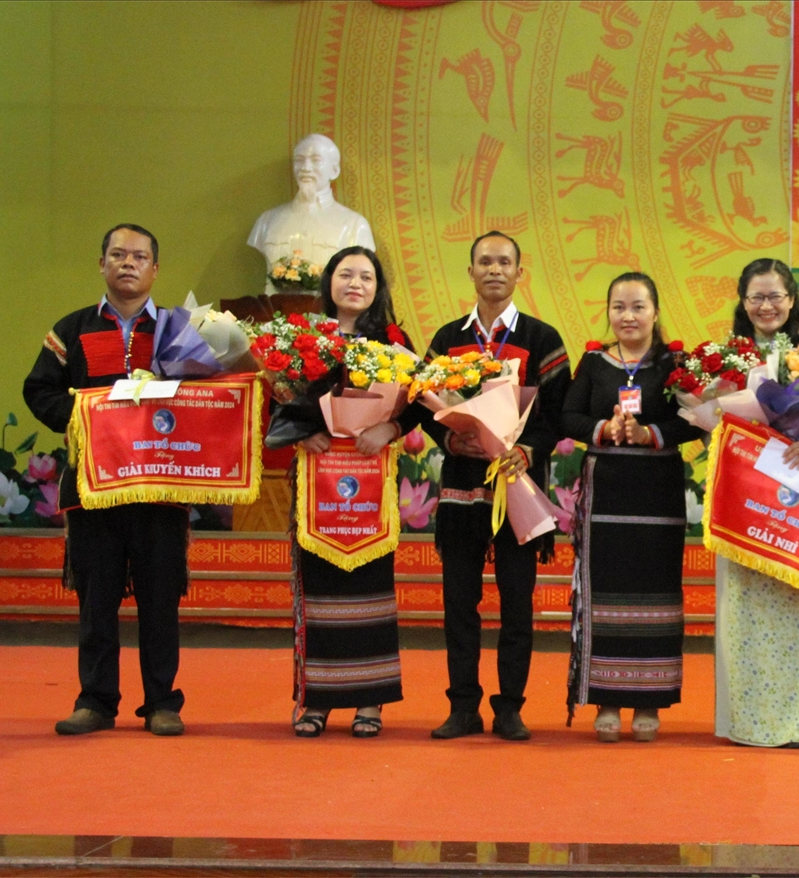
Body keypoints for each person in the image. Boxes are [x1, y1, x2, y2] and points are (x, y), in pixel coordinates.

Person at [23, 224, 190, 737]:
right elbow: (38, 389)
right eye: (118, 255)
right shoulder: (70, 329)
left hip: (160, 487)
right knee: (96, 600)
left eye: (139, 256)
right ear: (102, 264)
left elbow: (210, 392)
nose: (128, 263)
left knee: (160, 600)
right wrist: (79, 416)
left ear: (155, 269)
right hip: (92, 488)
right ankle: (95, 702)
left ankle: (162, 703)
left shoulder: (179, 331)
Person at [266, 246, 422, 738]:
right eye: (346, 274)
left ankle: (369, 701)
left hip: (370, 481)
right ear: (330, 282)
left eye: (366, 277)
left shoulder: (393, 342)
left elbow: (421, 400)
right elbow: (278, 398)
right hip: (317, 480)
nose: (355, 283)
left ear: (378, 287)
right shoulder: (303, 338)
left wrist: (390, 428)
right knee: (317, 592)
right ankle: (315, 700)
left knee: (369, 590)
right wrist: (302, 432)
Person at [425, 231, 569, 742]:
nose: (494, 270)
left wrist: (528, 449)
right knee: (458, 605)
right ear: (470, 272)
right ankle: (463, 706)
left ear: (519, 273)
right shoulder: (447, 338)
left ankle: (510, 708)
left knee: (517, 606)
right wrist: (449, 437)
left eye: (504, 262)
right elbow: (422, 402)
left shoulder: (543, 338)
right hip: (462, 493)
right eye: (484, 262)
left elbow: (559, 412)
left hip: (519, 490)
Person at [561, 272, 703, 742]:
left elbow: (693, 420)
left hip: (657, 492)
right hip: (606, 493)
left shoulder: (675, 364)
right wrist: (603, 429)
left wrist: (650, 434)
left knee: (656, 591)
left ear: (655, 312)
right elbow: (568, 416)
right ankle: (607, 699)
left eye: (638, 306)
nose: (628, 316)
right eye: (619, 307)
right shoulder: (593, 362)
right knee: (606, 591)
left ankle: (649, 701)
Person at [714, 258, 799, 747]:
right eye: (756, 297)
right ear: (743, 302)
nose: (766, 306)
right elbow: (707, 420)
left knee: (798, 601)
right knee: (743, 607)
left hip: (795, 493)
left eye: (775, 296)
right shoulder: (725, 360)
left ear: (791, 300)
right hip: (744, 496)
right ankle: (749, 722)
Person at [248, 133, 376, 292]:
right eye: (299, 160)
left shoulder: (354, 225)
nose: (305, 168)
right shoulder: (267, 221)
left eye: (316, 160)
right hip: (273, 307)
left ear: (334, 170)